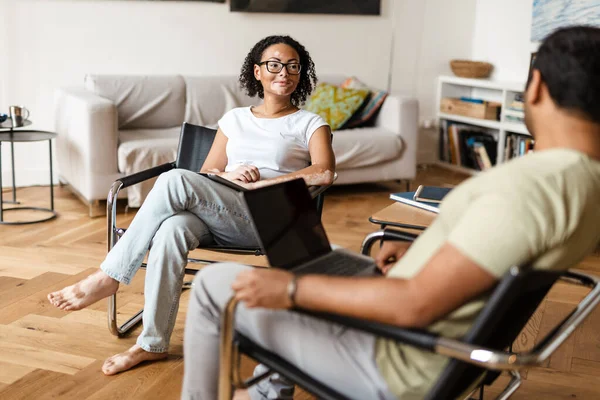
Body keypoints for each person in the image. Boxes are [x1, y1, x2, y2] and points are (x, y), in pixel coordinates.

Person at [181, 25, 600, 400]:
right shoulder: (584, 180)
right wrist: (423, 248)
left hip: (395, 361)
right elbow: (498, 250)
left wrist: (289, 291)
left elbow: (413, 306)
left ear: (538, 86)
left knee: (217, 285)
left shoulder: (529, 186)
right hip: (431, 327)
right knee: (313, 260)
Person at [47, 35, 335, 376]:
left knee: (173, 180)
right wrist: (231, 172)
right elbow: (208, 172)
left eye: (292, 66)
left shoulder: (310, 123)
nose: (283, 73)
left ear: (300, 74)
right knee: (172, 229)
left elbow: (324, 172)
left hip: (271, 220)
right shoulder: (235, 119)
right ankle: (151, 343)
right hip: (225, 209)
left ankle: (109, 275)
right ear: (257, 72)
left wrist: (261, 184)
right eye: (274, 64)